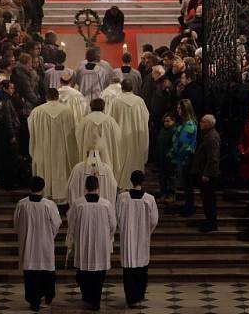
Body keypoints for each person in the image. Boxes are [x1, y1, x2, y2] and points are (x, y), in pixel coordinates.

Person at [68, 175, 117, 311]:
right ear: (98, 187)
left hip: (83, 243)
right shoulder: (106, 204)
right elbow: (113, 224)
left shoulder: (78, 204)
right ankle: (95, 300)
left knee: (83, 273)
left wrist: (76, 236)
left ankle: (88, 297)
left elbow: (71, 224)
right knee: (99, 275)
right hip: (101, 244)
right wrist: (107, 236)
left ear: (85, 187)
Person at [14, 176, 62, 312]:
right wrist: (49, 235)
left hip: (28, 244)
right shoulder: (49, 204)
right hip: (44, 244)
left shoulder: (22, 204)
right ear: (43, 188)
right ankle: (47, 297)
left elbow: (16, 224)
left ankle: (33, 301)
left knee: (31, 274)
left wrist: (24, 235)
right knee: (46, 272)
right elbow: (57, 223)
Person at [116, 170, 159, 308]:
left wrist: (124, 229)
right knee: (141, 268)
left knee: (129, 270)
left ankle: (131, 297)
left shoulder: (122, 198)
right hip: (142, 238)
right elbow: (154, 220)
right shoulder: (149, 199)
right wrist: (147, 232)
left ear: (131, 180)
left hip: (128, 238)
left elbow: (117, 216)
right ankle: (139, 294)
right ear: (143, 181)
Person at [27, 88, 77, 203]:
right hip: (62, 152)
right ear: (57, 97)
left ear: (46, 97)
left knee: (45, 173)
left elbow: (32, 132)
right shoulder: (67, 111)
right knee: (62, 171)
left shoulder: (37, 111)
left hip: (43, 150)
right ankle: (62, 200)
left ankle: (45, 197)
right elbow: (72, 134)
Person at [108, 80, 150, 190]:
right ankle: (136, 186)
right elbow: (146, 117)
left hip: (121, 139)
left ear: (122, 88)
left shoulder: (116, 101)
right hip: (136, 137)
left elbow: (111, 121)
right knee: (135, 160)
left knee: (121, 162)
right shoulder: (139, 101)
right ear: (132, 88)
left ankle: (122, 187)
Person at [191, 114, 220, 232]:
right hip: (204, 173)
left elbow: (213, 158)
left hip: (208, 175)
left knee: (209, 200)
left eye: (203, 122)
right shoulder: (207, 135)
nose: (200, 123)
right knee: (206, 200)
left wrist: (207, 174)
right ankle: (209, 221)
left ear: (209, 124)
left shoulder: (212, 137)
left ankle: (211, 223)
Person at [76, 98, 122, 172]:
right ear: (103, 107)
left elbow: (78, 136)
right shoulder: (110, 120)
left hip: (88, 156)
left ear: (90, 107)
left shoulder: (85, 120)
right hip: (106, 155)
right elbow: (118, 136)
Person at [169, 100, 197, 216]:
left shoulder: (189, 125)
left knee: (187, 184)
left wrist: (175, 153)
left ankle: (189, 207)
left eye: (180, 108)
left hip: (185, 159)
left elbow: (184, 143)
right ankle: (187, 205)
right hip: (182, 158)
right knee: (185, 184)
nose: (178, 111)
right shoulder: (184, 123)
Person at [0, 80, 20, 188]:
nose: (13, 90)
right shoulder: (5, 101)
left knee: (3, 158)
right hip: (7, 134)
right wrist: (12, 135)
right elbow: (7, 119)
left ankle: (4, 181)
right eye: (11, 88)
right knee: (9, 159)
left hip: (2, 134)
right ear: (5, 88)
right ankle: (9, 183)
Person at [155, 112, 177, 204]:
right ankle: (163, 194)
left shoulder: (175, 131)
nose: (166, 123)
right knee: (162, 177)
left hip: (170, 159)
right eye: (165, 121)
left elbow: (175, 145)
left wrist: (170, 154)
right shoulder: (163, 131)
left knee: (171, 177)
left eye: (168, 121)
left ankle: (171, 195)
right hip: (162, 158)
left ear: (173, 121)